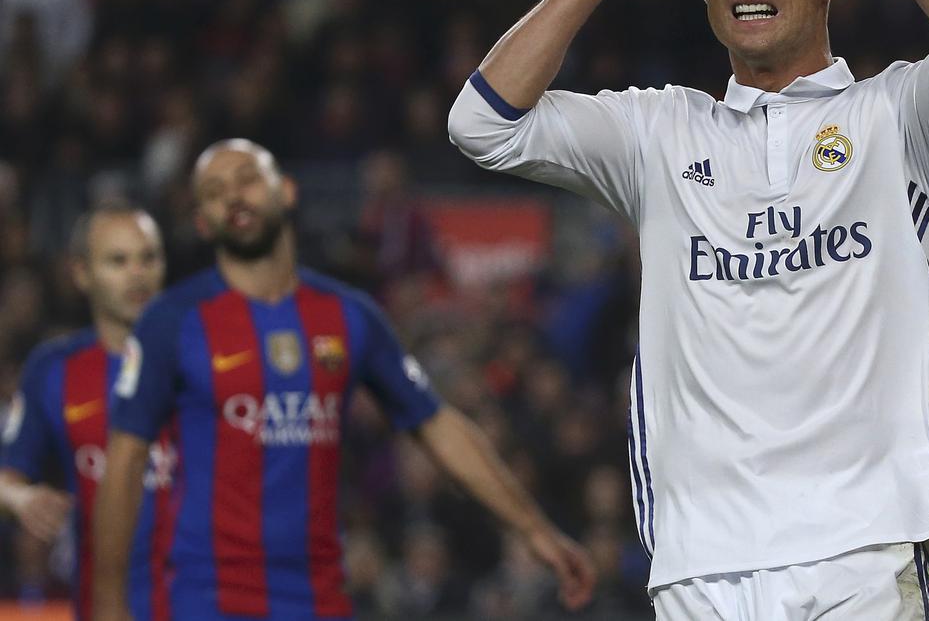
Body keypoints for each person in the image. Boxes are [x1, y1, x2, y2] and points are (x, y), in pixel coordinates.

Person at [448, 0, 929, 619]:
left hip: (863, 543)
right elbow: (482, 123)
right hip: (704, 558)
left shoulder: (899, 116)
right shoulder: (659, 133)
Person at [91, 139, 595, 621]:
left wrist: (533, 528)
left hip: (321, 597)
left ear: (286, 190)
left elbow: (437, 425)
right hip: (208, 598)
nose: (233, 198)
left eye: (246, 179)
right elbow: (124, 460)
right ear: (202, 222)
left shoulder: (349, 316)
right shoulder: (171, 322)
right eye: (215, 193)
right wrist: (110, 601)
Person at [0, 204, 173, 620]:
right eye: (118, 260)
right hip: (102, 606)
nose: (137, 273)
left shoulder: (203, 357)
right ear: (81, 274)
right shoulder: (53, 368)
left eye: (148, 258)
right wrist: (22, 498)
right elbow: (5, 476)